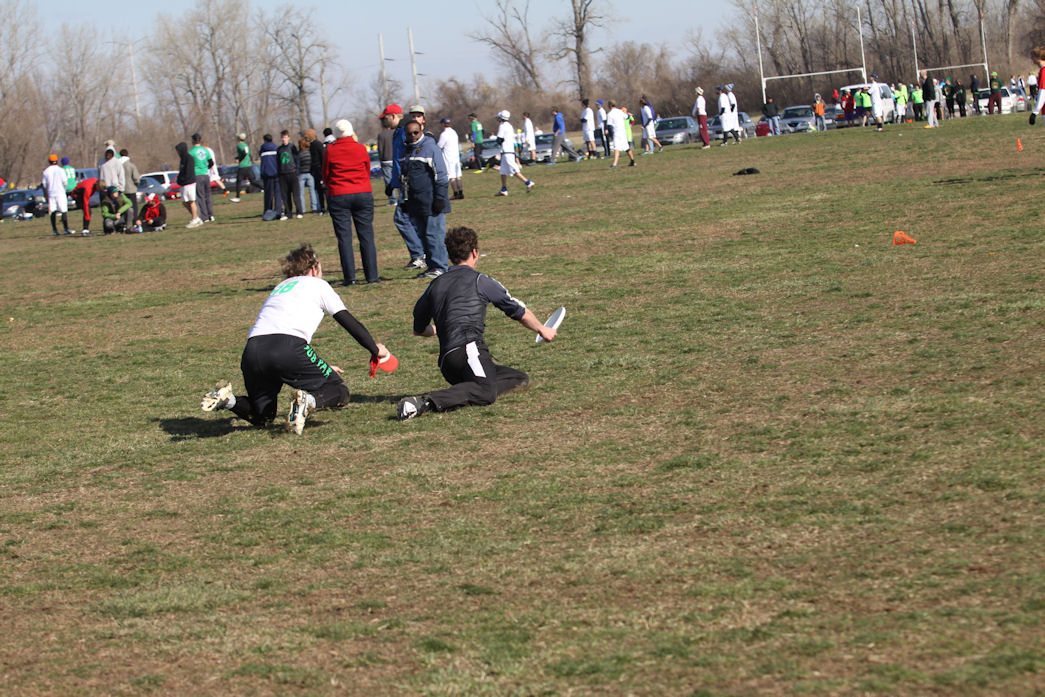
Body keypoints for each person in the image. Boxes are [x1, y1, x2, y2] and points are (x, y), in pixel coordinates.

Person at [200, 243, 390, 435]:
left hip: (253, 350)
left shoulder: (280, 287)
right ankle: (307, 402)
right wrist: (375, 349)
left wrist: (315, 367)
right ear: (314, 268)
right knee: (338, 390)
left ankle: (228, 400)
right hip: (288, 349)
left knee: (262, 415)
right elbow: (349, 322)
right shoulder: (318, 285)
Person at [397, 226, 556, 420]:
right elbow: (517, 310)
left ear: (450, 255)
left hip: (447, 362)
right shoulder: (481, 280)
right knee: (486, 392)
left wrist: (437, 329)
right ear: (474, 252)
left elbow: (419, 329)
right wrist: (542, 329)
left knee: (518, 378)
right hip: (469, 350)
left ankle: (464, 391)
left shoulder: (434, 285)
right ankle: (425, 402)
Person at [323, 119, 379, 286]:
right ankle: (372, 276)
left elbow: (326, 173)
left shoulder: (331, 150)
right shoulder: (360, 148)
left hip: (339, 194)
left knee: (344, 238)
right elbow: (367, 169)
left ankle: (350, 277)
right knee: (366, 235)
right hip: (362, 192)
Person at [396, 118, 450, 278]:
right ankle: (431, 266)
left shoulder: (430, 148)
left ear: (421, 131)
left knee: (434, 235)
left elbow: (441, 175)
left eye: (416, 132)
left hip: (432, 201)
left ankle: (440, 267)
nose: (413, 136)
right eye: (409, 133)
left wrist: (440, 198)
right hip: (415, 201)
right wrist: (404, 200)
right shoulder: (405, 151)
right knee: (423, 235)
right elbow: (404, 178)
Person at [491, 110, 535, 196]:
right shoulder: (509, 125)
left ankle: (528, 183)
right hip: (508, 151)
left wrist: (497, 144)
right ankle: (504, 190)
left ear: (501, 118)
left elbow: (499, 139)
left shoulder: (502, 126)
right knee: (503, 172)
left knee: (514, 170)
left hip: (507, 151)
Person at [175, 141, 203, 228]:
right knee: (184, 202)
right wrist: (179, 180)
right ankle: (197, 218)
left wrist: (184, 179)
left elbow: (189, 172)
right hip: (183, 184)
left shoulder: (189, 158)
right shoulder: (182, 159)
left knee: (191, 201)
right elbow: (181, 171)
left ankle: (194, 220)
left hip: (189, 183)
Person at [42, 154, 72, 236]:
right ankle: (66, 228)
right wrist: (63, 189)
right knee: (63, 210)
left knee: (53, 211)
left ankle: (55, 230)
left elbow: (44, 184)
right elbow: (65, 182)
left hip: (51, 193)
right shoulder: (61, 170)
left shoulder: (46, 171)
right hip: (60, 193)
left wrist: (46, 193)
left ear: (49, 161)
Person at [377, 105, 401, 205]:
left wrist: (381, 158)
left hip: (386, 159)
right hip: (395, 158)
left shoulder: (381, 135)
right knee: (399, 178)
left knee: (388, 179)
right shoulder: (397, 132)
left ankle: (392, 200)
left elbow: (380, 149)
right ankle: (402, 197)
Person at [277, 130, 303, 219]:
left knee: (296, 195)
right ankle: (288, 213)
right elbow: (278, 162)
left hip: (292, 173)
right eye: (282, 137)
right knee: (285, 195)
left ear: (288, 137)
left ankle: (299, 212)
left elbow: (297, 160)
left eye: (285, 137)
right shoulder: (279, 149)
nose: (284, 139)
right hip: (282, 174)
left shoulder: (292, 147)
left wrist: (297, 171)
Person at [189, 133, 214, 223]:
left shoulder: (191, 152)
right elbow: (211, 162)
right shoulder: (205, 150)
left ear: (193, 140)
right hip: (206, 175)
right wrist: (206, 168)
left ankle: (204, 217)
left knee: (200, 196)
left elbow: (189, 164)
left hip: (197, 175)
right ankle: (211, 215)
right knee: (208, 195)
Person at [437, 118, 464, 200]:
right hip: (456, 157)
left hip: (448, 157)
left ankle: (455, 194)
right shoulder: (454, 132)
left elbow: (439, 146)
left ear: (443, 124)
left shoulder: (444, 134)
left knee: (452, 177)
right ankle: (461, 193)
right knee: (458, 176)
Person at [606, 100, 636, 168]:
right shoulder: (620, 111)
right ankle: (632, 161)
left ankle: (614, 164)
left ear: (610, 105)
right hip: (623, 132)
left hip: (616, 132)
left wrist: (611, 135)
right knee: (626, 148)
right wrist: (629, 115)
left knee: (616, 148)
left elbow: (609, 126)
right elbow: (627, 117)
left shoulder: (610, 114)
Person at [258, 133, 282, 218]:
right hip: (277, 173)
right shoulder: (276, 149)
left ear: (264, 140)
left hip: (267, 174)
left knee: (268, 194)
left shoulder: (262, 150)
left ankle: (268, 210)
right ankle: (278, 211)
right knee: (278, 194)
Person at [232, 133, 260, 202]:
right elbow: (248, 154)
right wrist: (251, 160)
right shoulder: (246, 145)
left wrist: (239, 159)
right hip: (248, 166)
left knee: (238, 181)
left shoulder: (239, 145)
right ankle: (265, 188)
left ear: (239, 138)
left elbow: (244, 153)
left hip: (242, 166)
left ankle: (237, 197)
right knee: (253, 181)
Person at [119, 149, 141, 231]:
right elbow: (136, 178)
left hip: (122, 190)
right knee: (134, 207)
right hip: (131, 189)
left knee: (124, 207)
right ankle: (135, 222)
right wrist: (136, 184)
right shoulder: (131, 165)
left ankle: (124, 223)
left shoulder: (118, 165)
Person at [306, 128, 326, 214]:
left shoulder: (317, 144)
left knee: (324, 189)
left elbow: (322, 157)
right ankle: (322, 207)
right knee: (318, 190)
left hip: (320, 170)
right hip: (315, 171)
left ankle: (327, 207)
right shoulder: (312, 145)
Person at [298, 134, 319, 213]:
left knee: (301, 193)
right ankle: (314, 207)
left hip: (301, 174)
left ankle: (302, 209)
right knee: (312, 191)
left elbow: (298, 164)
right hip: (310, 174)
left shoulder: (299, 154)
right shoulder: (310, 153)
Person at [1030, 45, 1045, 125]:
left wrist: (1035, 112)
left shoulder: (1044, 71)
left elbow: (1043, 92)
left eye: (1033, 56)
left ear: (1038, 57)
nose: (1031, 59)